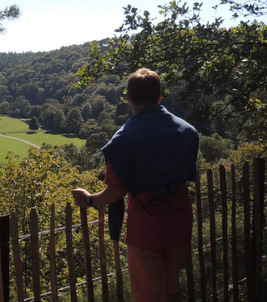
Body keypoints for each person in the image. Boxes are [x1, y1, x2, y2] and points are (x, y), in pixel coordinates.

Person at [72, 68, 199, 302]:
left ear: (128, 97)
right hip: (180, 222)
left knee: (147, 296)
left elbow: (116, 192)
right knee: (171, 291)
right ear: (159, 96)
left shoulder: (123, 140)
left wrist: (89, 199)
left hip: (147, 228)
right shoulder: (187, 131)